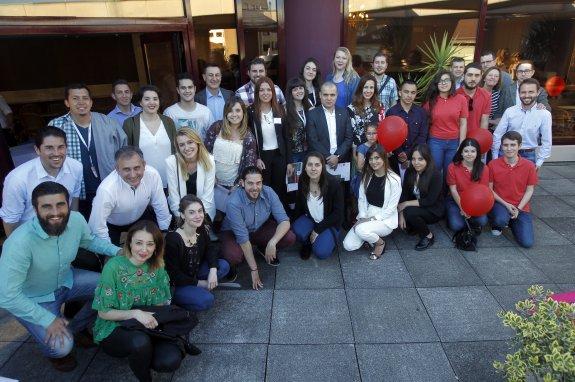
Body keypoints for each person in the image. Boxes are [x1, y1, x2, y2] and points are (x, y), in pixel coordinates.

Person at [0, 182, 121, 372]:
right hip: (36, 299)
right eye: (46, 206)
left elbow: (89, 241)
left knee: (115, 288)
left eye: (60, 205)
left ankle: (76, 327)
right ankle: (55, 354)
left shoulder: (76, 219)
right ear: (35, 209)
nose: (55, 212)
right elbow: (7, 296)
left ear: (68, 204)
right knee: (61, 347)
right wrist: (46, 319)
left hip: (68, 280)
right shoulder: (19, 243)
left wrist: (118, 251)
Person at [93, 220, 186, 382]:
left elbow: (159, 306)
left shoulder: (157, 266)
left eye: (150, 244)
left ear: (156, 247)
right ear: (129, 243)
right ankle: (145, 378)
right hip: (115, 326)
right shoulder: (113, 267)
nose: (144, 250)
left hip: (146, 324)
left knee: (170, 360)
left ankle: (142, 357)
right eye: (139, 243)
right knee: (139, 342)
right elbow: (103, 312)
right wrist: (136, 313)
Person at [49, 83, 127, 219]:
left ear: (91, 102)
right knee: (80, 227)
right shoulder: (56, 126)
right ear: (67, 102)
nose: (81, 102)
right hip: (74, 191)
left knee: (106, 228)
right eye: (75, 98)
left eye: (85, 98)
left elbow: (124, 150)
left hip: (106, 187)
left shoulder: (107, 122)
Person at [219, 166, 295, 290]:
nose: (255, 187)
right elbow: (243, 239)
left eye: (258, 183)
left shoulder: (268, 192)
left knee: (289, 237)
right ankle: (230, 263)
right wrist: (254, 269)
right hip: (233, 233)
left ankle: (263, 247)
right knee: (234, 255)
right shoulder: (233, 202)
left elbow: (284, 221)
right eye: (250, 183)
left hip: (258, 228)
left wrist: (272, 242)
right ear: (242, 183)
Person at [0, 126, 82, 237]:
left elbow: (74, 199)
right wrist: (16, 248)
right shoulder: (17, 179)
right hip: (31, 237)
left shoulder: (76, 167)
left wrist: (73, 230)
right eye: (49, 148)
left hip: (63, 232)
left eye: (61, 147)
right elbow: (10, 219)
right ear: (37, 150)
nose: (56, 153)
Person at [89, 146, 172, 245]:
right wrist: (111, 250)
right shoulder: (106, 189)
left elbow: (160, 204)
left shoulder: (152, 175)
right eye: (127, 169)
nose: (133, 175)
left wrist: (164, 231)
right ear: (117, 169)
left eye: (137, 168)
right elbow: (98, 226)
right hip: (112, 225)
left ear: (144, 165)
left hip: (140, 218)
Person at [165, 195, 230, 312]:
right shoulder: (173, 240)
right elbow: (173, 275)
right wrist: (201, 283)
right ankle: (178, 302)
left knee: (223, 266)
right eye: (192, 212)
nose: (198, 216)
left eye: (200, 211)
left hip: (195, 272)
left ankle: (197, 291)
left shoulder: (199, 228)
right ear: (182, 215)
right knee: (206, 300)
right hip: (177, 283)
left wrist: (213, 271)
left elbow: (210, 248)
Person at [343, 144, 402, 259]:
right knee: (348, 245)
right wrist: (362, 217)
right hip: (368, 213)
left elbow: (391, 208)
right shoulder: (367, 176)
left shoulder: (395, 180)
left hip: (385, 218)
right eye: (370, 158)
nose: (373, 162)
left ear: (384, 158)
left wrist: (369, 220)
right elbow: (362, 200)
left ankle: (380, 243)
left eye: (377, 158)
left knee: (360, 229)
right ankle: (369, 237)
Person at [204, 97, 258, 212]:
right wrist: (210, 176)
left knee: (230, 218)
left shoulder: (248, 136)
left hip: (233, 188)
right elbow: (204, 153)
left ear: (243, 113)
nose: (234, 114)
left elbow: (249, 166)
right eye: (230, 111)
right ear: (225, 113)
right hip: (211, 183)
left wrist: (238, 186)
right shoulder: (216, 127)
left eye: (238, 110)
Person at [488, 131, 537, 248]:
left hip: (521, 206)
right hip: (500, 203)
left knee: (527, 243)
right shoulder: (493, 165)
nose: (509, 148)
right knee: (500, 220)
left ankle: (512, 221)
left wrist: (518, 209)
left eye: (513, 145)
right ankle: (500, 222)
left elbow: (530, 190)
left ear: (519, 146)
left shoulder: (529, 166)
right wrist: (506, 204)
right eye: (505, 145)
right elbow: (489, 189)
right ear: (501, 146)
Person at [123, 85, 176, 188]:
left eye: (155, 99)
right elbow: (127, 153)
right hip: (143, 182)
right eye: (147, 99)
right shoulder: (130, 123)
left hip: (170, 180)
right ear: (140, 102)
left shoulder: (168, 122)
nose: (152, 102)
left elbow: (176, 149)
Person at [492, 78, 552, 169]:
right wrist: (495, 157)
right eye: (523, 92)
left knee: (525, 183)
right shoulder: (510, 111)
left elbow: (546, 141)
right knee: (502, 183)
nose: (526, 95)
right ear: (519, 93)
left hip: (528, 156)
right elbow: (498, 134)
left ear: (538, 92)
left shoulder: (544, 114)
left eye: (531, 92)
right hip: (506, 153)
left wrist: (539, 162)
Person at [293, 152, 343, 260]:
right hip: (311, 219)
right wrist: (294, 222)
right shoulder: (302, 180)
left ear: (323, 167)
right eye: (309, 165)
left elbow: (338, 214)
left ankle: (325, 238)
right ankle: (307, 243)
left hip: (329, 223)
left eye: (317, 165)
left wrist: (317, 229)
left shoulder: (333, 184)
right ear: (305, 167)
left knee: (321, 253)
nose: (313, 168)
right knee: (297, 229)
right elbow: (299, 203)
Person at [247, 77, 289, 203]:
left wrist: (290, 161)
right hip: (263, 157)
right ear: (257, 93)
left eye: (268, 90)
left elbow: (286, 136)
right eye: (262, 90)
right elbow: (249, 138)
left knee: (279, 187)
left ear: (273, 92)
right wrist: (256, 157)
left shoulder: (280, 109)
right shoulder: (251, 111)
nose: (265, 93)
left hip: (279, 155)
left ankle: (277, 214)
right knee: (265, 187)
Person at [398, 144, 444, 251]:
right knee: (406, 224)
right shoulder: (410, 171)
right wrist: (401, 214)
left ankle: (428, 236)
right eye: (413, 159)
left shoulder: (435, 175)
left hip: (434, 209)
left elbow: (430, 201)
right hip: (418, 205)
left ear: (427, 159)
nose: (416, 162)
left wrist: (405, 205)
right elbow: (404, 193)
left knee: (409, 212)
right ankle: (415, 225)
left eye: (420, 159)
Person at [424, 70, 468, 177]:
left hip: (454, 142)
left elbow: (463, 123)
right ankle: (436, 193)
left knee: (450, 171)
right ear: (436, 84)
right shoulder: (430, 101)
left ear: (452, 82)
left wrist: (461, 144)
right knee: (435, 169)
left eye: (446, 80)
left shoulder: (461, 99)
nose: (443, 83)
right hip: (435, 141)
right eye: (440, 81)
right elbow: (425, 123)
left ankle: (447, 193)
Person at [165, 127, 216, 221]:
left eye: (190, 142)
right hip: (181, 213)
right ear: (178, 147)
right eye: (181, 145)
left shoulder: (209, 160)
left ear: (197, 142)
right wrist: (181, 217)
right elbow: (173, 195)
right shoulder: (171, 162)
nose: (186, 148)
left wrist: (199, 218)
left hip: (204, 212)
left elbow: (208, 196)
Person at [446, 138, 490, 233]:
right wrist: (463, 207)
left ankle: (469, 220)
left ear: (477, 153)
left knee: (483, 221)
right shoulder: (452, 167)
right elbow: (453, 190)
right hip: (456, 200)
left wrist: (471, 209)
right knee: (456, 226)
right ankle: (457, 217)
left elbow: (483, 192)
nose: (469, 154)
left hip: (476, 202)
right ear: (461, 152)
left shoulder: (484, 168)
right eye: (466, 151)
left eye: (473, 151)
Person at [306, 82, 353, 169]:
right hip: (320, 162)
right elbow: (313, 140)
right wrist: (329, 157)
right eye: (325, 95)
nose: (329, 98)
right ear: (320, 95)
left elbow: (348, 138)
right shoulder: (312, 114)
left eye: (332, 95)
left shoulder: (344, 113)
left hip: (341, 161)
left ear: (337, 95)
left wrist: (337, 156)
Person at [386, 80, 429, 176]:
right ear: (400, 93)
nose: (409, 95)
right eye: (406, 92)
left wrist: (408, 154)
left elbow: (422, 136)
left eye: (413, 92)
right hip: (395, 158)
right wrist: (400, 153)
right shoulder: (391, 112)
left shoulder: (421, 113)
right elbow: (389, 136)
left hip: (415, 159)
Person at [164, 73, 215, 139]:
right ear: (178, 90)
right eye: (183, 88)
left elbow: (213, 137)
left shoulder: (205, 111)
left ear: (195, 89)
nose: (187, 91)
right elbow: (168, 139)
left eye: (190, 87)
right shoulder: (169, 113)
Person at [348, 74, 382, 150]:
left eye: (371, 87)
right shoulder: (351, 108)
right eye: (365, 87)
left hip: (376, 150)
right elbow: (352, 134)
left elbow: (382, 129)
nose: (368, 91)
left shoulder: (379, 106)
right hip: (360, 150)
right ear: (360, 88)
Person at [456, 63, 490, 134]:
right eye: (470, 75)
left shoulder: (486, 95)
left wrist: (480, 140)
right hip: (455, 138)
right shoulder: (455, 95)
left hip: (475, 139)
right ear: (463, 75)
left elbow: (484, 121)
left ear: (481, 77)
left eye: (477, 75)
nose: (473, 79)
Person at [284, 77, 310, 165]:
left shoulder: (309, 105)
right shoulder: (285, 110)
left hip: (309, 150)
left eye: (301, 88)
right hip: (294, 153)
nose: (299, 91)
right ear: (290, 93)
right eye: (295, 89)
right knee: (295, 178)